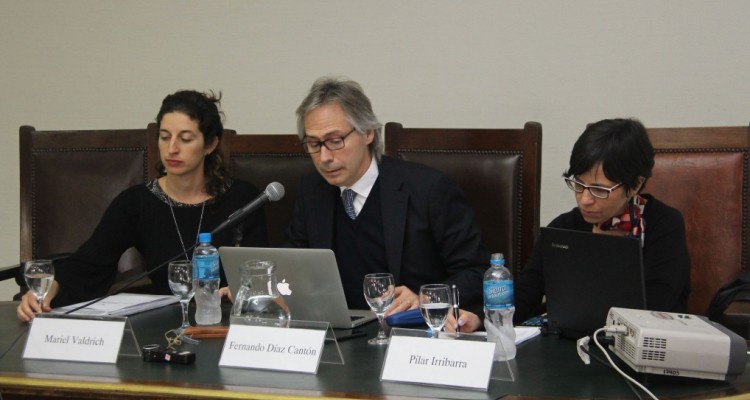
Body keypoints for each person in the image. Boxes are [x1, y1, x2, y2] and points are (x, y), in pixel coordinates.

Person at [17, 90, 268, 321]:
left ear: (210, 144)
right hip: (161, 327)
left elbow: (261, 270)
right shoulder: (137, 202)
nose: (172, 149)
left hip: (226, 323)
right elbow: (89, 264)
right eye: (164, 137)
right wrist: (52, 288)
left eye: (186, 139)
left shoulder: (242, 199)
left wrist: (241, 289)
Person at [449, 118, 691, 333]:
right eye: (579, 184)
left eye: (599, 189)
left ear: (636, 185)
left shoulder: (663, 226)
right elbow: (527, 293)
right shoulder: (565, 227)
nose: (585, 198)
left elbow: (659, 308)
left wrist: (608, 251)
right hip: (572, 348)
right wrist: (481, 318)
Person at [286, 76, 489, 315]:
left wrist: (426, 298)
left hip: (412, 334)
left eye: (335, 141)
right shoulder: (312, 190)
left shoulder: (429, 189)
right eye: (313, 144)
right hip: (340, 333)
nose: (324, 157)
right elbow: (294, 265)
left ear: (368, 133)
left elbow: (478, 272)